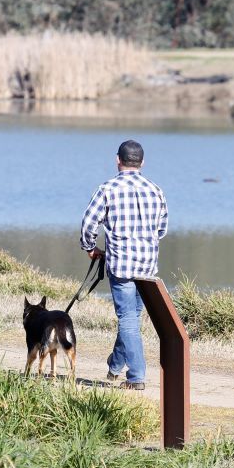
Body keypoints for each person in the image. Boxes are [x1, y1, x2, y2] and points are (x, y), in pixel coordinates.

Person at [79, 139, 168, 390]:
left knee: (128, 319)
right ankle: (115, 365)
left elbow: (88, 223)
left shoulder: (108, 188)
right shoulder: (155, 189)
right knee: (132, 317)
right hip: (148, 266)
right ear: (142, 162)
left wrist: (90, 247)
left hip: (122, 265)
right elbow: (162, 228)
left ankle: (137, 376)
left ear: (118, 160)